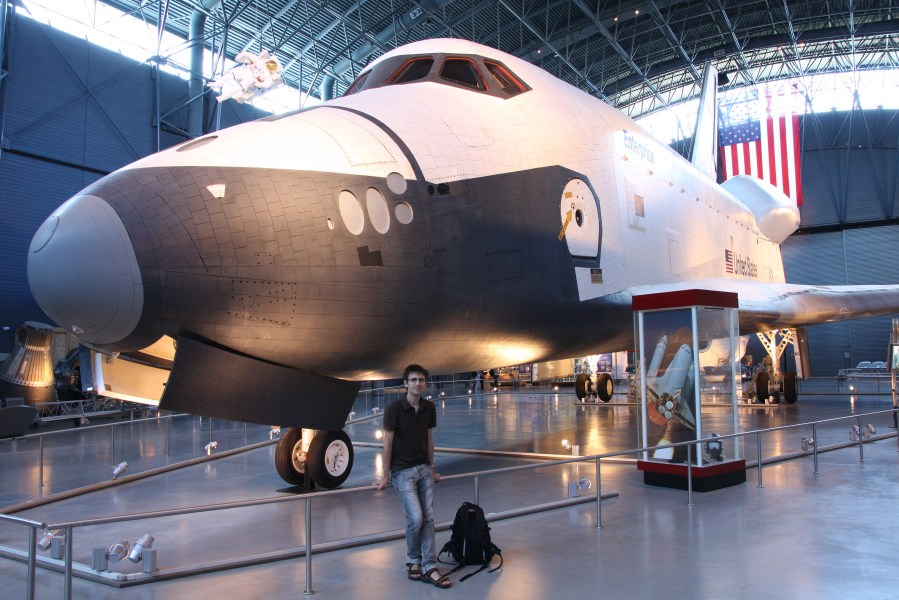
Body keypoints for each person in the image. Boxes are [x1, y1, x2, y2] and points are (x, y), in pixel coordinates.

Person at [376, 364, 451, 589]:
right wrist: (385, 474)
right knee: (416, 517)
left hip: (424, 470)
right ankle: (413, 559)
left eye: (421, 380)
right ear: (405, 383)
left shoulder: (429, 408)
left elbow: (429, 440)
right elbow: (387, 442)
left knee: (428, 518)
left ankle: (428, 565)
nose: (418, 383)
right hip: (403, 471)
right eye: (414, 380)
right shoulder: (394, 409)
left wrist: (432, 467)